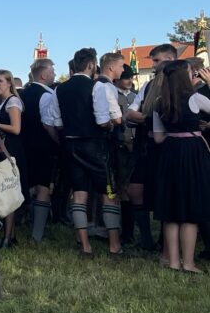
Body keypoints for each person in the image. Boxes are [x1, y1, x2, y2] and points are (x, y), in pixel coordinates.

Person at [54, 48, 124, 257]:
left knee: (79, 194)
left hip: (70, 145)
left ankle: (84, 245)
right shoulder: (98, 87)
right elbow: (103, 121)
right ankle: (114, 245)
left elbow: (57, 123)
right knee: (108, 193)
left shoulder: (60, 89)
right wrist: (111, 127)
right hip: (94, 146)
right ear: (92, 65)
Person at [153, 61, 210, 272]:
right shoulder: (196, 98)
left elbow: (158, 138)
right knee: (191, 209)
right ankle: (189, 262)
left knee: (171, 209)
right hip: (192, 153)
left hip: (170, 153)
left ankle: (174, 262)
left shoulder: (159, 102)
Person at [126, 43, 179, 252]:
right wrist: (149, 116)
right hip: (146, 146)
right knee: (135, 190)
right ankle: (146, 238)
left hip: (169, 147)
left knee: (166, 194)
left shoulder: (178, 85)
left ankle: (165, 242)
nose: (154, 65)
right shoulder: (148, 86)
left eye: (157, 61)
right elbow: (130, 113)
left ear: (170, 60)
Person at [22, 58, 60, 242]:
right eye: (52, 71)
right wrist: (58, 141)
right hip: (42, 146)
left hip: (24, 145)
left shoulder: (24, 93)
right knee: (43, 186)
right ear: (44, 75)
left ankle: (25, 219)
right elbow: (48, 123)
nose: (54, 74)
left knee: (29, 184)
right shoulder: (46, 95)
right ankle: (37, 233)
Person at [0, 69, 28, 248]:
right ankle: (9, 235)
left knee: (9, 190)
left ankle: (7, 236)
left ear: (9, 83)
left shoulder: (12, 101)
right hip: (5, 149)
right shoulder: (2, 102)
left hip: (12, 150)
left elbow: (16, 128)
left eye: (0, 81)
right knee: (6, 189)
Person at [113, 64, 138, 244]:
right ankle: (123, 229)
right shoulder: (113, 95)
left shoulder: (137, 97)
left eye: (131, 78)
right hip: (119, 144)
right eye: (125, 78)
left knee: (133, 187)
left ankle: (131, 229)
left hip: (135, 145)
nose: (129, 81)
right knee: (121, 188)